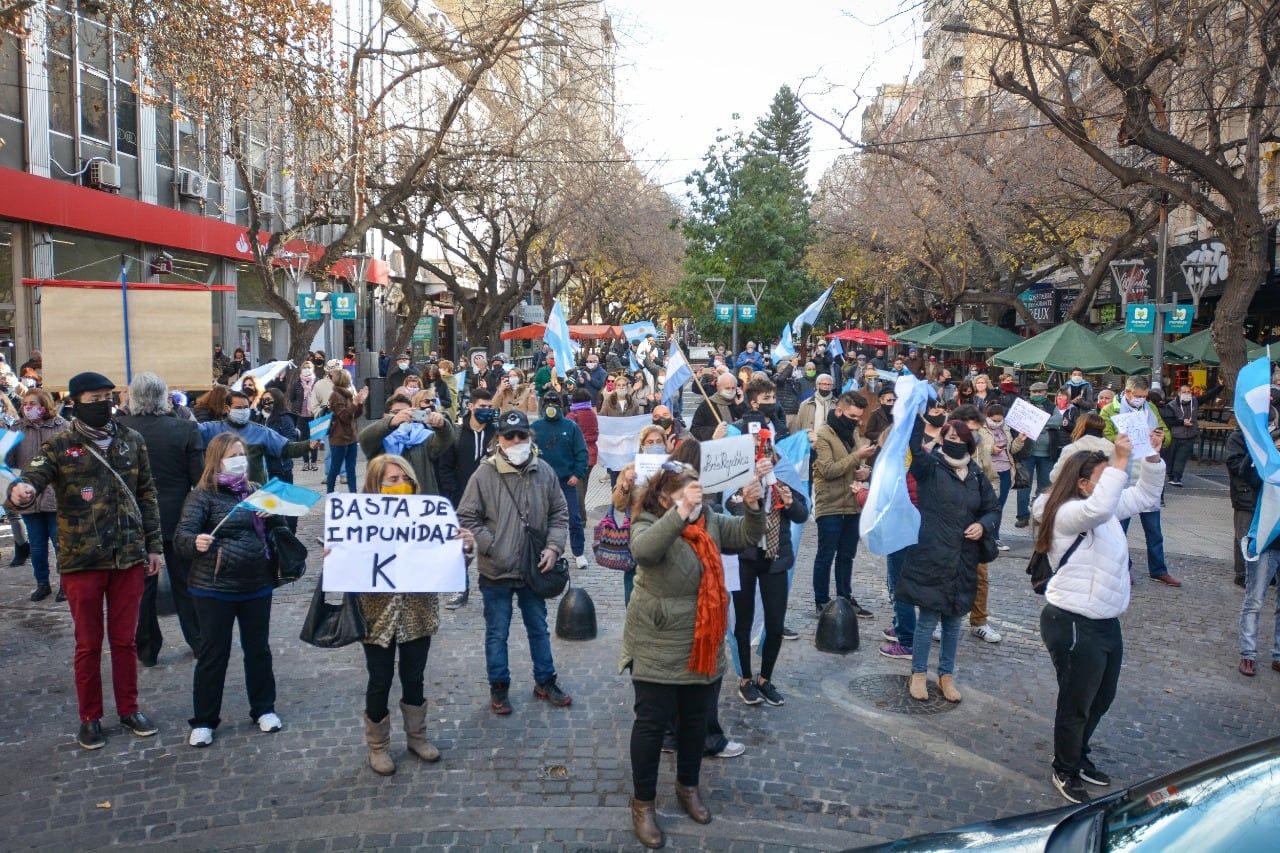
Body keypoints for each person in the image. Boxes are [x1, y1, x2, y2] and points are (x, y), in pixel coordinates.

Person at [6, 372, 163, 750]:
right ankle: (90, 717)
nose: (104, 404)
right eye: (95, 398)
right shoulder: (60, 446)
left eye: (108, 397)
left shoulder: (131, 441)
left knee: (124, 642)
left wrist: (154, 546)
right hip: (82, 560)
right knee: (88, 644)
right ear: (76, 401)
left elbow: (147, 495)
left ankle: (129, 708)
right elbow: (31, 480)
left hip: (127, 557)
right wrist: (20, 492)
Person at [623, 462, 766, 848]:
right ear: (665, 496)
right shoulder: (649, 521)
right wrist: (679, 513)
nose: (696, 501)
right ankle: (643, 804)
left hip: (705, 638)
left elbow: (746, 535)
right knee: (651, 725)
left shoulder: (711, 520)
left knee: (695, 721)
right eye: (687, 494)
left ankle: (688, 787)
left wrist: (754, 506)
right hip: (659, 638)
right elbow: (644, 551)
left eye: (698, 494)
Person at [1033, 433, 1163, 803]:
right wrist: (1119, 462)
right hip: (1072, 619)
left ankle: (1078, 752)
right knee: (1076, 701)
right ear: (1084, 483)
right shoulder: (1064, 511)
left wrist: (1151, 457)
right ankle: (1065, 767)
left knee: (1102, 697)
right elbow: (1099, 510)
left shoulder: (1100, 507)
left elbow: (1145, 497)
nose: (1111, 482)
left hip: (1106, 620)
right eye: (1103, 476)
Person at [355, 454, 475, 774]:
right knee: (379, 679)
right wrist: (338, 554)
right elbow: (349, 567)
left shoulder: (429, 518)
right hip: (376, 614)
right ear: (374, 486)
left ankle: (417, 736)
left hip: (417, 611)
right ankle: (378, 746)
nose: (399, 485)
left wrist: (463, 549)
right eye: (390, 481)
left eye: (403, 479)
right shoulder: (359, 520)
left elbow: (449, 568)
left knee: (414, 675)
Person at [174, 433, 286, 748]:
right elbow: (182, 534)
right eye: (232, 455)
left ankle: (264, 708)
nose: (239, 459)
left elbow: (280, 533)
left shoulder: (255, 491)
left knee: (258, 650)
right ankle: (204, 720)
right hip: (214, 587)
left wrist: (273, 515)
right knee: (213, 654)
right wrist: (195, 542)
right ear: (217, 460)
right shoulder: (202, 496)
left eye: (242, 454)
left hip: (256, 584)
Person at [457, 410, 572, 715]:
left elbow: (559, 514)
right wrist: (490, 544)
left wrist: (553, 547)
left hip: (535, 567)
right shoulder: (483, 474)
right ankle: (499, 686)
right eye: (510, 436)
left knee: (539, 628)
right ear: (500, 440)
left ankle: (545, 680)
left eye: (522, 435)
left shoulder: (544, 471)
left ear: (529, 437)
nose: (517, 441)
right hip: (496, 569)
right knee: (498, 632)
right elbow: (467, 516)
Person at [899, 419, 1000, 704]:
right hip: (933, 553)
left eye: (960, 436)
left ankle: (946, 676)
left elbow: (992, 509)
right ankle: (918, 673)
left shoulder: (976, 475)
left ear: (969, 442)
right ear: (942, 438)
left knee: (954, 621)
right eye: (949, 435)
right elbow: (915, 450)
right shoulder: (930, 466)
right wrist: (918, 413)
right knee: (928, 619)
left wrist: (982, 525)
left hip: (964, 557)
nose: (954, 439)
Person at [116, 373, 204, 660]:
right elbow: (199, 480)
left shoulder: (118, 430)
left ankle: (147, 648)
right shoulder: (185, 430)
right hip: (179, 516)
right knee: (186, 583)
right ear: (164, 397)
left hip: (133, 518)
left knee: (142, 589)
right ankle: (199, 641)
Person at [729, 451, 808, 707]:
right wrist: (749, 493)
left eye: (768, 455)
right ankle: (745, 679)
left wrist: (790, 503)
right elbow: (729, 507)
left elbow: (801, 514)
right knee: (743, 621)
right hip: (746, 558)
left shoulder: (783, 478)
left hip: (775, 559)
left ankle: (765, 679)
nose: (764, 460)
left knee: (775, 625)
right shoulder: (740, 477)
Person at [1099, 376, 1179, 586]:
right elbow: (1104, 436)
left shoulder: (1150, 408)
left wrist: (1160, 436)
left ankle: (1159, 569)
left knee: (1154, 530)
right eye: (1138, 396)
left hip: (1146, 474)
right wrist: (1120, 441)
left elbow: (1167, 435)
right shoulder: (1110, 410)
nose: (1141, 400)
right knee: (1119, 530)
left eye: (1144, 397)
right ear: (1127, 393)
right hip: (1123, 474)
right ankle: (1122, 568)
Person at [811, 391, 875, 616]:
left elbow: (856, 466)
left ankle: (845, 597)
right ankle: (821, 601)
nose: (856, 420)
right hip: (830, 503)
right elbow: (828, 470)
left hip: (852, 502)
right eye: (851, 416)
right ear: (839, 411)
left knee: (847, 555)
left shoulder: (853, 432)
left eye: (858, 417)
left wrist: (864, 472)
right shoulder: (824, 434)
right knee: (826, 555)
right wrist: (857, 457)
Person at [438, 389, 499, 609]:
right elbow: (445, 468)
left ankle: (493, 590)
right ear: (471, 407)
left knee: (492, 546)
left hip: (492, 502)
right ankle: (460, 589)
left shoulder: (497, 434)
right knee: (460, 548)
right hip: (462, 500)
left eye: (490, 407)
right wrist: (454, 496)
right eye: (482, 407)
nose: (486, 411)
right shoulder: (456, 434)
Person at [10, 386, 68, 601]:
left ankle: (66, 584)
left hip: (55, 496)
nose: (28, 408)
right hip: (29, 496)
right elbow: (7, 461)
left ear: (44, 405)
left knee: (60, 543)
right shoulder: (17, 429)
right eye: (25, 404)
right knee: (36, 544)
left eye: (32, 404)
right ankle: (42, 583)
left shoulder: (62, 427)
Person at [1233, 411, 1280, 675]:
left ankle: (1279, 653)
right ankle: (1248, 654)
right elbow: (1245, 474)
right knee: (1255, 600)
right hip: (1264, 543)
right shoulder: (1265, 472)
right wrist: (1259, 450)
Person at [197, 390, 314, 485]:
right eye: (238, 408)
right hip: (221, 493)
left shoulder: (260, 431)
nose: (242, 411)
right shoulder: (211, 430)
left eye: (245, 407)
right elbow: (186, 430)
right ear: (227, 409)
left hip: (254, 494)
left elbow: (286, 449)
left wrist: (309, 444)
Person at [531, 390, 590, 569]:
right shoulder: (536, 427)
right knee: (540, 519)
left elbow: (582, 452)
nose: (551, 407)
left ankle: (578, 552)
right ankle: (543, 551)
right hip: (541, 483)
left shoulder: (570, 427)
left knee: (574, 518)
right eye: (548, 402)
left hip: (566, 482)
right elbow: (528, 452)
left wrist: (577, 474)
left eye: (555, 403)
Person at [357, 393, 455, 495]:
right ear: (385, 415)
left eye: (407, 413)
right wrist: (392, 422)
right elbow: (365, 438)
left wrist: (442, 425)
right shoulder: (381, 439)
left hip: (419, 500)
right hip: (384, 500)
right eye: (396, 412)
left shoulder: (423, 437)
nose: (403, 416)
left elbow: (446, 440)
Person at [1014, 382, 1057, 529]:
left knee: (1045, 487)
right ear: (1030, 393)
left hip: (1047, 454)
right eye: (1035, 392)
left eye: (1041, 392)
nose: (1037, 394)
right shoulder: (1024, 406)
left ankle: (1040, 515)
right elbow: (1018, 421)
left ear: (1046, 393)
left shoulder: (1052, 407)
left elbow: (1058, 421)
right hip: (1027, 453)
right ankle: (1022, 516)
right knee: (1023, 486)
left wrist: (1038, 422)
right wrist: (1045, 423)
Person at [1226, 420, 1263, 587]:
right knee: (1243, 534)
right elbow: (1234, 464)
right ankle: (1242, 573)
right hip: (1244, 492)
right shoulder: (1238, 437)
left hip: (1264, 493)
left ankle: (1260, 571)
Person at [1162, 381, 1220, 486]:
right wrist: (1182, 422)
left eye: (1189, 392)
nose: (1187, 394)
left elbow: (1208, 396)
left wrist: (1220, 386)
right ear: (1179, 393)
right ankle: (1170, 475)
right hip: (1175, 435)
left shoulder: (1195, 401)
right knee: (1171, 457)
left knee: (1181, 458)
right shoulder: (1171, 405)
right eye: (1184, 392)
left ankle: (1177, 478)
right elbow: (1168, 421)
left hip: (1189, 436)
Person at [326, 370, 368, 494]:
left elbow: (356, 414)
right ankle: (330, 493)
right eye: (349, 378)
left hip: (351, 437)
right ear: (345, 379)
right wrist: (354, 403)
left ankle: (353, 494)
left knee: (351, 468)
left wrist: (360, 403)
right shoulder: (336, 395)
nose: (351, 380)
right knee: (335, 467)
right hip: (339, 438)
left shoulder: (348, 394)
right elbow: (344, 416)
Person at [1049, 413, 1115, 486]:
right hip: (1104, 493)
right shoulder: (1114, 450)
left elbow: (1055, 477)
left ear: (1080, 426)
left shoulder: (1072, 449)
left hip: (1076, 493)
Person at [566, 388, 599, 525]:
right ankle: (580, 513)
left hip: (578, 456)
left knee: (577, 489)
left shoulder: (572, 416)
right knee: (583, 487)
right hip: (591, 454)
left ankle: (581, 518)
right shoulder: (592, 414)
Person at [287, 361, 320, 471]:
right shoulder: (297, 383)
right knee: (303, 439)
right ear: (301, 369)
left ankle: (314, 461)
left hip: (314, 414)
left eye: (309, 367)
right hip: (301, 415)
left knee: (314, 438)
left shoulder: (317, 382)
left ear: (312, 369)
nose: (307, 369)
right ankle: (306, 462)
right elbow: (291, 398)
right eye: (305, 367)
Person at [690, 372, 742, 441]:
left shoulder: (737, 401)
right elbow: (694, 430)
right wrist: (714, 431)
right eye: (727, 388)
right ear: (718, 386)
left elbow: (749, 421)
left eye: (733, 388)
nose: (730, 391)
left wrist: (741, 405)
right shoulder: (707, 405)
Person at [794, 373, 836, 445]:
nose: (826, 387)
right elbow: (798, 425)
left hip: (829, 443)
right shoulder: (806, 404)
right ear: (817, 385)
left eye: (829, 385)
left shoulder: (837, 404)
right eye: (824, 384)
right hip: (810, 442)